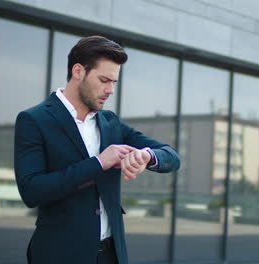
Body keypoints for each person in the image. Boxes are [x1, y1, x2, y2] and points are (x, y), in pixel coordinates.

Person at [14, 35, 181, 264]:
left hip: (112, 255)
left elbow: (172, 157)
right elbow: (31, 191)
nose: (110, 90)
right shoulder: (34, 120)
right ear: (78, 71)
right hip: (59, 255)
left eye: (114, 82)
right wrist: (99, 163)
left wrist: (147, 156)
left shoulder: (110, 122)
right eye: (104, 80)